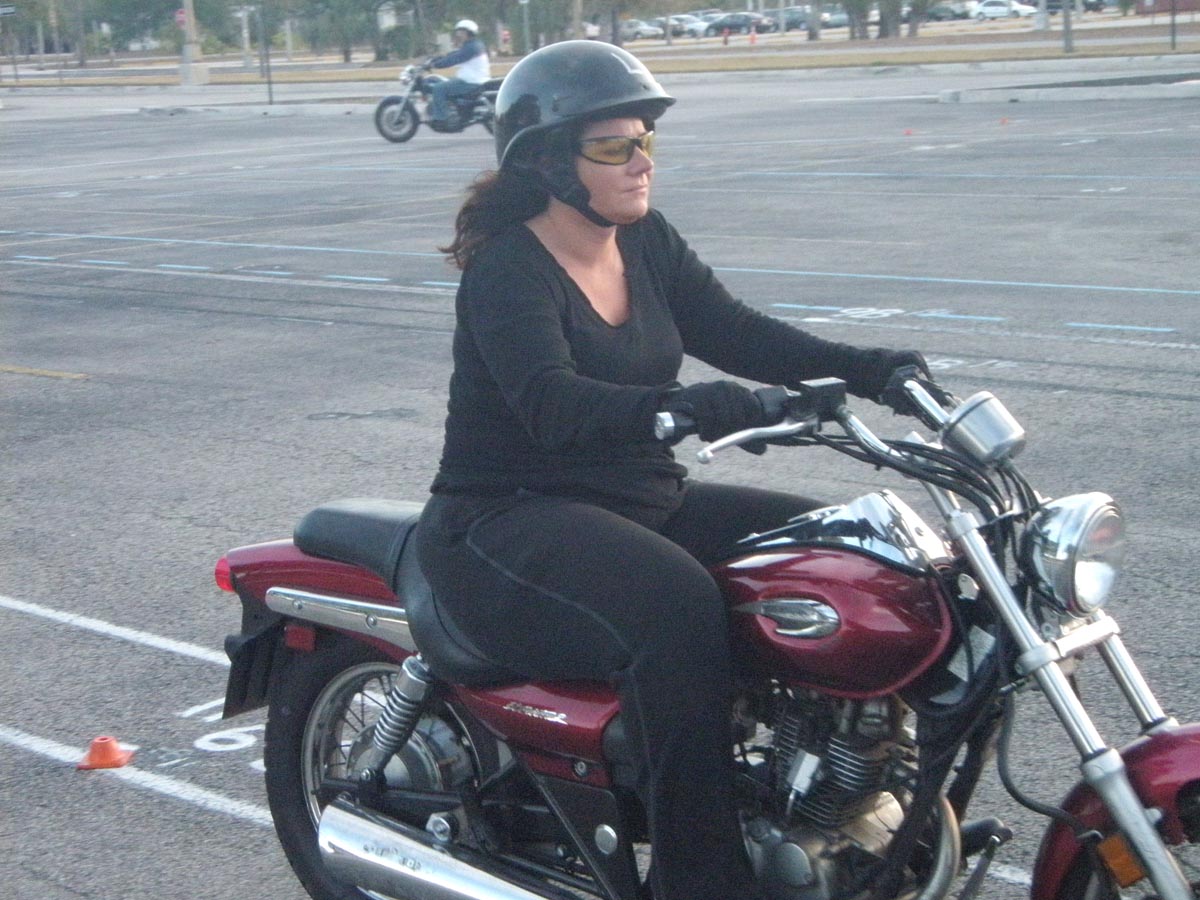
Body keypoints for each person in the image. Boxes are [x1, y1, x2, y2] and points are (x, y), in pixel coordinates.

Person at [416, 40, 928, 900]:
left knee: (852, 551)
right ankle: (699, 879)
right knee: (677, 607)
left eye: (646, 139)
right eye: (614, 145)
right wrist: (684, 408)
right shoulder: (508, 268)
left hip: (641, 501)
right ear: (548, 162)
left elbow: (737, 330)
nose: (642, 160)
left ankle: (848, 802)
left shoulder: (644, 240)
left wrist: (871, 369)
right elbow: (551, 403)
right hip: (503, 520)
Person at [427, 19, 490, 128]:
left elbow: (454, 59)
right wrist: (435, 59)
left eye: (461, 31)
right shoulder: (472, 45)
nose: (458, 34)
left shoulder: (472, 47)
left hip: (471, 82)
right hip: (473, 80)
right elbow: (452, 55)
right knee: (444, 83)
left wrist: (435, 65)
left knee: (438, 88)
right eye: (458, 32)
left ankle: (441, 119)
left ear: (468, 32)